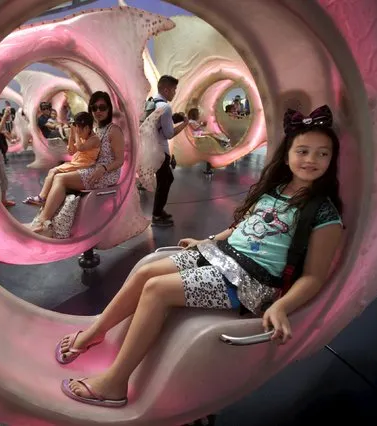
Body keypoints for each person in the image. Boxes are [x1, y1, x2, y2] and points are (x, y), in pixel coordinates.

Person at [57, 105, 344, 408]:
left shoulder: (324, 212)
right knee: (145, 273)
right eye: (303, 151)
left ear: (331, 159)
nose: (311, 160)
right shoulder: (275, 190)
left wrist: (283, 306)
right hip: (222, 254)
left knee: (157, 291)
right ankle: (95, 333)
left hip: (251, 280)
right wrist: (206, 242)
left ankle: (115, 383)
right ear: (288, 154)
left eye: (322, 153)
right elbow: (240, 229)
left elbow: (314, 276)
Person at [29, 91, 124, 234]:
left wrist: (103, 168)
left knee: (61, 178)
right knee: (56, 173)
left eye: (102, 107)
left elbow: (119, 160)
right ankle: (52, 220)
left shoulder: (114, 130)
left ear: (109, 108)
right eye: (94, 107)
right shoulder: (95, 129)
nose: (98, 111)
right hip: (92, 168)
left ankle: (44, 221)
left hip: (106, 173)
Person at [22, 111, 101, 206]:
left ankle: (42, 197)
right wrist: (72, 134)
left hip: (85, 165)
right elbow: (71, 151)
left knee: (53, 171)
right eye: (77, 131)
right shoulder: (83, 138)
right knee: (53, 172)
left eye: (80, 130)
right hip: (77, 164)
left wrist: (75, 133)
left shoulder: (94, 139)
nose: (78, 133)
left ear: (87, 128)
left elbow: (81, 148)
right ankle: (44, 197)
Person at [149, 75, 189, 227]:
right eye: (174, 89)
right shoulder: (165, 107)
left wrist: (173, 119)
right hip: (161, 151)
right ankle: (157, 215)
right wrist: (184, 124)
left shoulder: (153, 102)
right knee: (164, 183)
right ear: (166, 89)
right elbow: (169, 134)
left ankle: (159, 211)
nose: (174, 93)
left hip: (153, 149)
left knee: (167, 179)